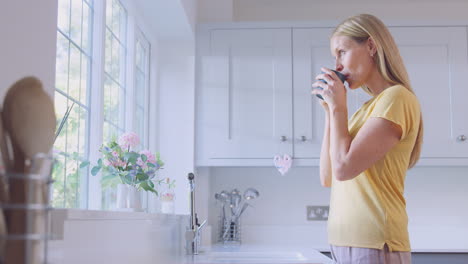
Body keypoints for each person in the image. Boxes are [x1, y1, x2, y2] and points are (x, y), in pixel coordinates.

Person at [311, 14, 423, 264]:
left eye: (342, 52)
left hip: (374, 241)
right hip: (344, 240)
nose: (337, 66)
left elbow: (343, 168)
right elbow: (327, 176)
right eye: (334, 57)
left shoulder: (396, 98)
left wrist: (339, 107)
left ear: (371, 46)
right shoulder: (366, 110)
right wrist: (330, 111)